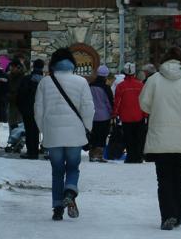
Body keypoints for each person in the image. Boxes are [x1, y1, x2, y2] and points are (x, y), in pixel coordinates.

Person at [140, 47, 181, 231]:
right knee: (178, 177)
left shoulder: (153, 80)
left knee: (163, 179)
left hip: (160, 136)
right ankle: (177, 214)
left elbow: (144, 104)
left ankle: (167, 215)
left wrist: (157, 111)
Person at [35, 47, 94, 221]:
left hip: (53, 133)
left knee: (57, 171)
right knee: (73, 167)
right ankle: (69, 192)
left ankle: (57, 208)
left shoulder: (45, 82)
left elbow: (38, 110)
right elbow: (88, 108)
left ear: (53, 63)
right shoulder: (81, 82)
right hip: (75, 132)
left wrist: (44, 129)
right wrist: (87, 128)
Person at [113, 63, 148, 164]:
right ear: (134, 73)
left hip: (125, 116)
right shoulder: (140, 85)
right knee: (139, 137)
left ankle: (130, 156)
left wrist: (115, 113)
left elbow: (117, 102)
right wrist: (145, 114)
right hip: (139, 115)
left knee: (128, 137)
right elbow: (144, 101)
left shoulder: (120, 86)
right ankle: (138, 156)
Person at [17, 59, 45, 159]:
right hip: (40, 110)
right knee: (36, 130)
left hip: (28, 109)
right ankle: (35, 151)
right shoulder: (45, 81)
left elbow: (20, 95)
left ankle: (31, 151)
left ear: (33, 66)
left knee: (29, 130)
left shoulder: (27, 79)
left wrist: (21, 108)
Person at [88, 65, 115, 162]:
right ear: (106, 75)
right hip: (104, 115)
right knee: (102, 136)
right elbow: (109, 102)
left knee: (93, 135)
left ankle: (92, 153)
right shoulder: (106, 87)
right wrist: (112, 112)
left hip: (92, 115)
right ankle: (98, 154)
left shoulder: (90, 85)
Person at [6, 55, 27, 130]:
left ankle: (18, 135)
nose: (11, 68)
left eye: (12, 67)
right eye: (11, 67)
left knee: (19, 122)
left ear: (18, 67)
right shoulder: (8, 76)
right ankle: (12, 135)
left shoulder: (23, 76)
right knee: (12, 121)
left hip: (20, 101)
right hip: (12, 101)